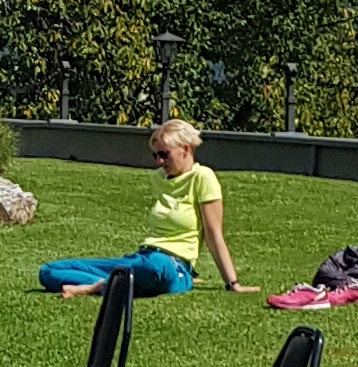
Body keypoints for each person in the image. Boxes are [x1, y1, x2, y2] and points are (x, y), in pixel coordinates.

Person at [36, 118, 239, 297]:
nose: (159, 162)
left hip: (172, 263)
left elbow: (214, 235)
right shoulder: (159, 179)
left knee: (155, 268)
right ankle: (119, 283)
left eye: (164, 154)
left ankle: (94, 288)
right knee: (49, 271)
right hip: (144, 257)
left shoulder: (203, 177)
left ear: (185, 149)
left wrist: (232, 283)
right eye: (155, 156)